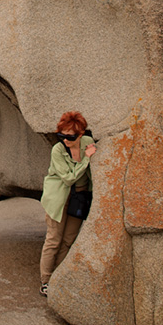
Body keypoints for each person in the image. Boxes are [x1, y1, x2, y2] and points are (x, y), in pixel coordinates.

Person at [39, 111, 97, 297]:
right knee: (53, 239)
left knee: (68, 239)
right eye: (61, 135)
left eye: (70, 136)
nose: (65, 140)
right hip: (58, 197)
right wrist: (87, 159)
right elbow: (68, 178)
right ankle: (46, 281)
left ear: (81, 134)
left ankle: (58, 276)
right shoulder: (57, 149)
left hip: (79, 197)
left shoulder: (87, 143)